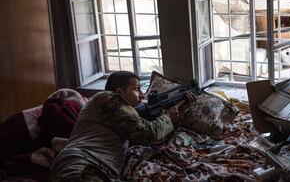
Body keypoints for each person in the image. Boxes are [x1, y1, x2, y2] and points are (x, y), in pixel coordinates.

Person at [49, 71, 196, 182]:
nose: (142, 95)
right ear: (119, 92)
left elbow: (152, 134)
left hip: (97, 169)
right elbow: (147, 133)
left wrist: (176, 111)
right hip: (81, 166)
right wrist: (168, 117)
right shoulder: (107, 98)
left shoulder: (122, 115)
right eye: (137, 89)